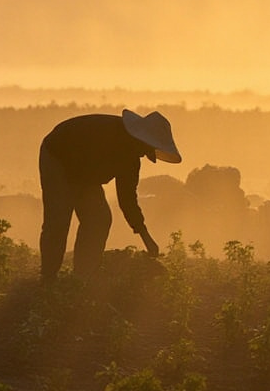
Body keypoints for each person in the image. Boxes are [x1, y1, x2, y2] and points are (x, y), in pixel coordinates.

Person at [39, 108, 181, 282]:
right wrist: (70, 193)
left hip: (84, 172)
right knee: (58, 220)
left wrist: (145, 236)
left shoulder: (130, 160)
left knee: (99, 219)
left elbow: (127, 199)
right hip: (58, 156)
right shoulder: (110, 136)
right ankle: (48, 279)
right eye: (147, 148)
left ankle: (82, 278)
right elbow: (80, 165)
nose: (145, 154)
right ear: (140, 139)